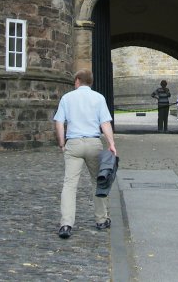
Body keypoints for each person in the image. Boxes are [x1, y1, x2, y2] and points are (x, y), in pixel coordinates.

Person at [53, 69, 117, 240]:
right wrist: (111, 144)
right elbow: (105, 123)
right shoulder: (98, 98)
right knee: (98, 182)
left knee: (69, 184)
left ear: (78, 81)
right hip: (93, 143)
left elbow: (59, 122)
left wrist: (61, 143)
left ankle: (66, 224)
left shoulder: (67, 98)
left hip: (73, 144)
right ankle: (101, 219)